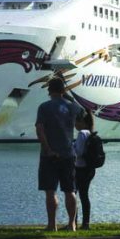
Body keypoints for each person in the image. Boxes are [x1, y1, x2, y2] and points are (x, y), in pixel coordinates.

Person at [35, 77, 82, 231]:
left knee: (50, 191)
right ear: (63, 90)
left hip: (49, 155)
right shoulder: (72, 107)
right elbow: (83, 114)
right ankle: (72, 224)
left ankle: (51, 225)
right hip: (68, 153)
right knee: (70, 190)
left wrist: (47, 148)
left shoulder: (44, 107)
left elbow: (40, 129)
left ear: (49, 91)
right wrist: (67, 96)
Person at [74, 108, 96, 230]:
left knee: (74, 195)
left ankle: (73, 222)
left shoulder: (82, 133)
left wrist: (71, 148)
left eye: (76, 121)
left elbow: (79, 152)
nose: (74, 124)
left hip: (80, 168)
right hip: (89, 169)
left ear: (82, 122)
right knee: (84, 195)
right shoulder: (90, 133)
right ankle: (86, 223)